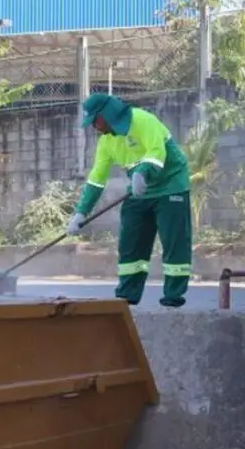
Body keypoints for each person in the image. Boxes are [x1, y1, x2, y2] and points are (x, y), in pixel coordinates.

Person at [66, 93, 192, 308]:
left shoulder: (142, 120)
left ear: (106, 115)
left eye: (95, 121)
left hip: (171, 186)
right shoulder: (107, 142)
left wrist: (142, 172)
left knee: (174, 242)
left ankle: (173, 296)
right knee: (131, 243)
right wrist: (81, 212)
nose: (94, 127)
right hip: (139, 191)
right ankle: (127, 296)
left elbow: (156, 151)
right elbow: (97, 179)